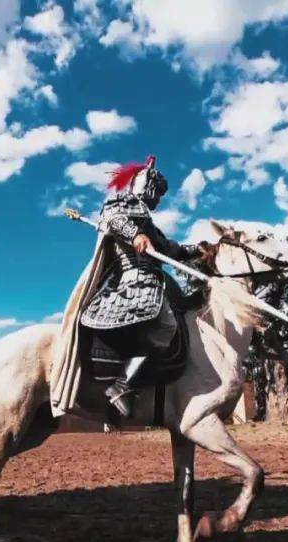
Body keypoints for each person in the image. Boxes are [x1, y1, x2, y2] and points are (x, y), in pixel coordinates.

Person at [77, 155, 205, 418]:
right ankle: (122, 383)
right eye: (156, 192)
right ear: (145, 186)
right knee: (167, 323)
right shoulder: (121, 203)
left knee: (183, 308)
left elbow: (170, 249)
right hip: (131, 279)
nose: (157, 199)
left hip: (153, 279)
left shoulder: (148, 221)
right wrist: (135, 235)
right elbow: (112, 220)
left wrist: (198, 250)